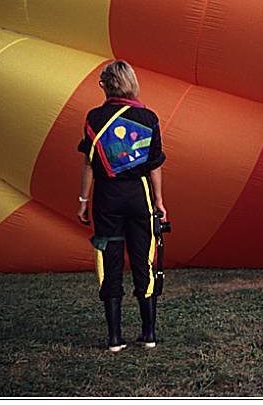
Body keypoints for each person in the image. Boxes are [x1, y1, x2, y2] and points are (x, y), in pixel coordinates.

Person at [76, 60, 168, 352]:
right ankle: (149, 334)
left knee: (108, 260)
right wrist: (159, 202)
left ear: (107, 85)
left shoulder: (93, 118)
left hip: (106, 198)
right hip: (139, 196)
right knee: (144, 260)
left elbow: (89, 164)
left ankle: (115, 338)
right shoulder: (148, 118)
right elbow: (154, 166)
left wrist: (83, 200)